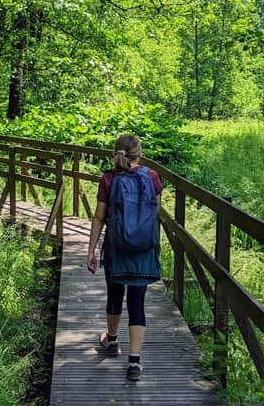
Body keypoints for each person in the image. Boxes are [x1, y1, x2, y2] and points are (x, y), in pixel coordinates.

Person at [87, 134, 163, 381]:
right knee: (137, 301)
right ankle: (134, 362)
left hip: (116, 247)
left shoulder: (109, 179)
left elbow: (99, 217)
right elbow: (155, 212)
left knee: (115, 294)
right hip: (143, 249)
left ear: (115, 153)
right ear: (139, 153)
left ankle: (111, 341)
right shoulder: (151, 177)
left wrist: (91, 250)